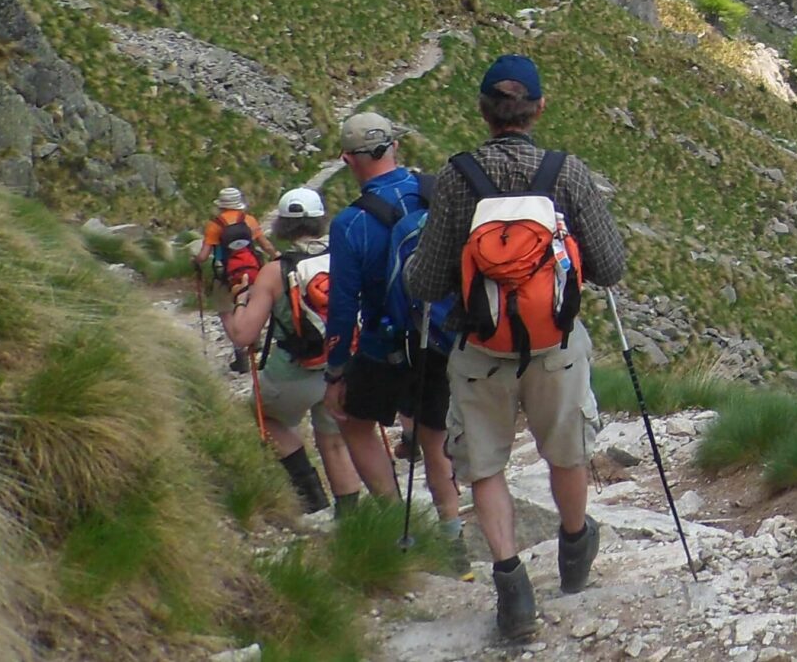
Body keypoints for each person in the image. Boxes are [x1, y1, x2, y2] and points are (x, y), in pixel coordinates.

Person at [406, 55, 626, 642]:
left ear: (482, 110)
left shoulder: (456, 178)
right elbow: (611, 267)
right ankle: (575, 547)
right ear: (539, 109)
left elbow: (425, 282)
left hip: (480, 349)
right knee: (566, 451)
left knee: (484, 464)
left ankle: (512, 587)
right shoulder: (567, 174)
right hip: (556, 345)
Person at [320, 109, 470, 561]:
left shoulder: (350, 224)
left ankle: (395, 521)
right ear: (395, 148)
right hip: (438, 336)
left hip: (383, 344)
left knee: (355, 422)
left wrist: (335, 372)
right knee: (432, 431)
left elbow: (343, 306)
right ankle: (452, 536)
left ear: (349, 160)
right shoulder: (436, 191)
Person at [223, 187, 365, 514]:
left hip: (294, 370)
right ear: (320, 220)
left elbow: (244, 335)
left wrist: (242, 300)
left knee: (265, 418)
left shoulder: (274, 271)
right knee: (334, 440)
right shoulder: (346, 255)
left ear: (283, 225)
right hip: (342, 367)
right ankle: (351, 519)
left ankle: (310, 496)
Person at [196, 187, 272, 373]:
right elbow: (265, 245)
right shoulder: (249, 220)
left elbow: (204, 256)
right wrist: (278, 256)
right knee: (253, 304)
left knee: (226, 311)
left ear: (221, 205)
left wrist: (195, 261)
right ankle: (255, 340)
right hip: (253, 272)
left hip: (226, 276)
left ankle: (240, 351)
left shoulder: (215, 225)